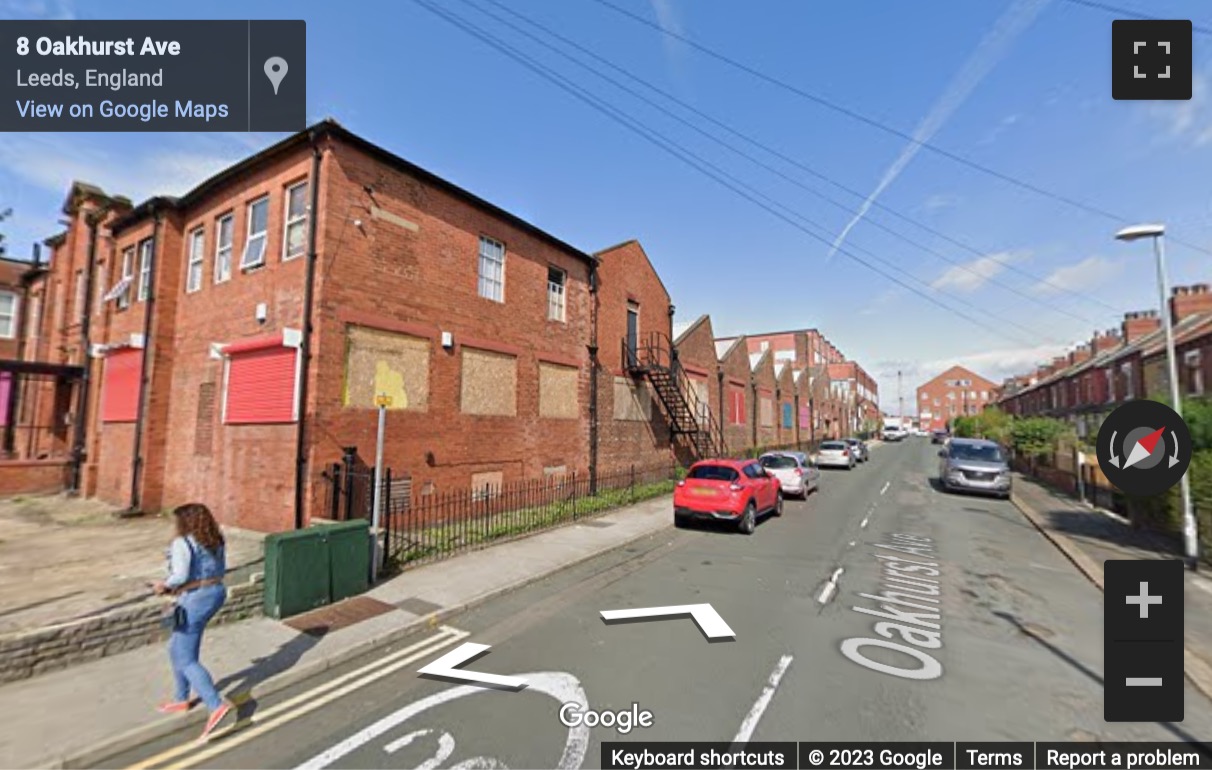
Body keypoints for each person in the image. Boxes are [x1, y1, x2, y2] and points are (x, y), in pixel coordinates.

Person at [152, 503, 234, 742]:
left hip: (196, 598)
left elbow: (180, 575)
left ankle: (215, 704)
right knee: (179, 647)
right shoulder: (216, 539)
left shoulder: (183, 543)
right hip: (215, 592)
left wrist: (163, 585)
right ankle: (181, 699)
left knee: (185, 657)